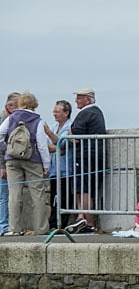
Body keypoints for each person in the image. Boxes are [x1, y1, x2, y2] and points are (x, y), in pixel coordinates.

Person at [0, 91, 51, 236]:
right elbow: (42, 145)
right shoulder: (37, 120)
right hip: (32, 159)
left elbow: (0, 134)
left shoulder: (11, 118)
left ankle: (14, 228)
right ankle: (41, 228)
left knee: (14, 195)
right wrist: (46, 164)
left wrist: (7, 149)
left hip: (12, 160)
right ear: (34, 104)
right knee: (37, 194)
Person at [64, 88, 106, 234]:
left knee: (83, 188)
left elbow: (75, 133)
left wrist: (71, 134)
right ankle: (82, 218)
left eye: (79, 98)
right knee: (85, 187)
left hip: (84, 155)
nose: (76, 101)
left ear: (88, 100)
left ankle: (87, 222)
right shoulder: (97, 112)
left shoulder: (86, 113)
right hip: (95, 154)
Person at [43, 100, 73, 229]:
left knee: (64, 198)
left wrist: (49, 133)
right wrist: (57, 148)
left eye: (57, 111)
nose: (54, 114)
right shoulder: (55, 126)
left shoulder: (70, 126)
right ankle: (53, 223)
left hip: (66, 169)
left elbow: (63, 143)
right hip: (54, 169)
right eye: (54, 111)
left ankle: (61, 224)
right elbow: (50, 145)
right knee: (54, 199)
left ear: (66, 113)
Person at [0, 92, 20, 235]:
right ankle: (4, 225)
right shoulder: (4, 119)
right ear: (11, 106)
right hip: (4, 163)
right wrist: (2, 166)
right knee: (4, 196)